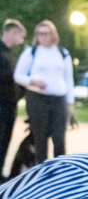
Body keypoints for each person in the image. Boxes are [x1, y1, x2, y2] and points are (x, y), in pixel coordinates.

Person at [13, 20, 74, 164]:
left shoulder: (62, 53)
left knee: (59, 137)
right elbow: (18, 75)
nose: (43, 37)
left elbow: (68, 79)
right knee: (40, 137)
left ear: (53, 34)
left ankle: (60, 169)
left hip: (58, 99)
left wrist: (70, 103)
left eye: (46, 33)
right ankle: (42, 168)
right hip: (38, 99)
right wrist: (33, 81)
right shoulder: (31, 52)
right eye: (40, 34)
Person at [0, 19, 26, 179]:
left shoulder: (10, 54)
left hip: (10, 104)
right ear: (12, 32)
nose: (22, 40)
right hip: (2, 103)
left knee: (5, 140)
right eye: (21, 36)